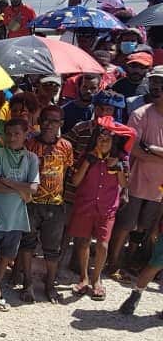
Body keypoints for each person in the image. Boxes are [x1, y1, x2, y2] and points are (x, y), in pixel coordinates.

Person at [107, 71, 163, 278]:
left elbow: (144, 148)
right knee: (125, 225)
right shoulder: (140, 114)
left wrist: (151, 149)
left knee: (148, 228)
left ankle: (134, 261)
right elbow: (132, 149)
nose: (157, 89)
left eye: (162, 86)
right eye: (155, 85)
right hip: (136, 180)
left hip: (160, 186)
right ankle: (113, 263)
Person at [69, 117, 132, 301]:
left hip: (107, 208)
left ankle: (97, 280)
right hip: (85, 205)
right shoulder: (87, 157)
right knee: (83, 243)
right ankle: (84, 277)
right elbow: (75, 181)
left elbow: (125, 183)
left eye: (107, 140)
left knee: (103, 245)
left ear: (114, 143)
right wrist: (89, 162)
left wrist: (118, 167)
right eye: (100, 139)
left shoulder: (120, 160)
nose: (102, 142)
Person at [15, 107, 73, 304]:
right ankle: (27, 284)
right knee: (27, 243)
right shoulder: (29, 144)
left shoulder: (66, 146)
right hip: (31, 202)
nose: (49, 124)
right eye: (45, 120)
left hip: (55, 204)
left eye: (54, 121)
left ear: (61, 124)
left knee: (52, 248)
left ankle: (50, 285)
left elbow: (66, 172)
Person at [0, 118, 40, 309]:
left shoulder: (31, 158)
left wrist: (9, 182)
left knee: (7, 255)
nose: (13, 137)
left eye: (17, 134)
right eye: (9, 134)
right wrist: (21, 190)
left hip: (16, 216)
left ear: (26, 135)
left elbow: (34, 187)